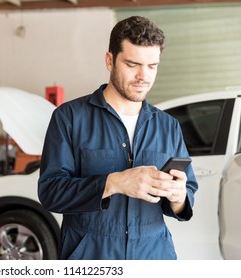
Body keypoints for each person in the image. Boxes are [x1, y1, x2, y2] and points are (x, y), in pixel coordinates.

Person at [38, 16, 198, 260]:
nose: (143, 76)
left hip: (154, 254)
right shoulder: (69, 118)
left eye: (152, 66)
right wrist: (114, 183)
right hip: (91, 255)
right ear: (109, 61)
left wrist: (178, 197)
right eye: (133, 64)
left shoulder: (169, 126)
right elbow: (51, 192)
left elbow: (186, 195)